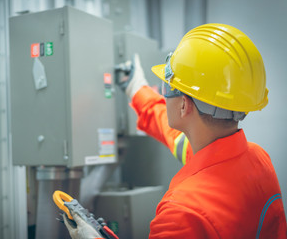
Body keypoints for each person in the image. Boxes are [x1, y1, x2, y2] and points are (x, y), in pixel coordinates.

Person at [63, 23, 287, 238]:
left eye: (167, 86)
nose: (163, 93)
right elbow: (174, 133)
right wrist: (137, 89)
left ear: (183, 105)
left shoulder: (181, 212)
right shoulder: (258, 159)